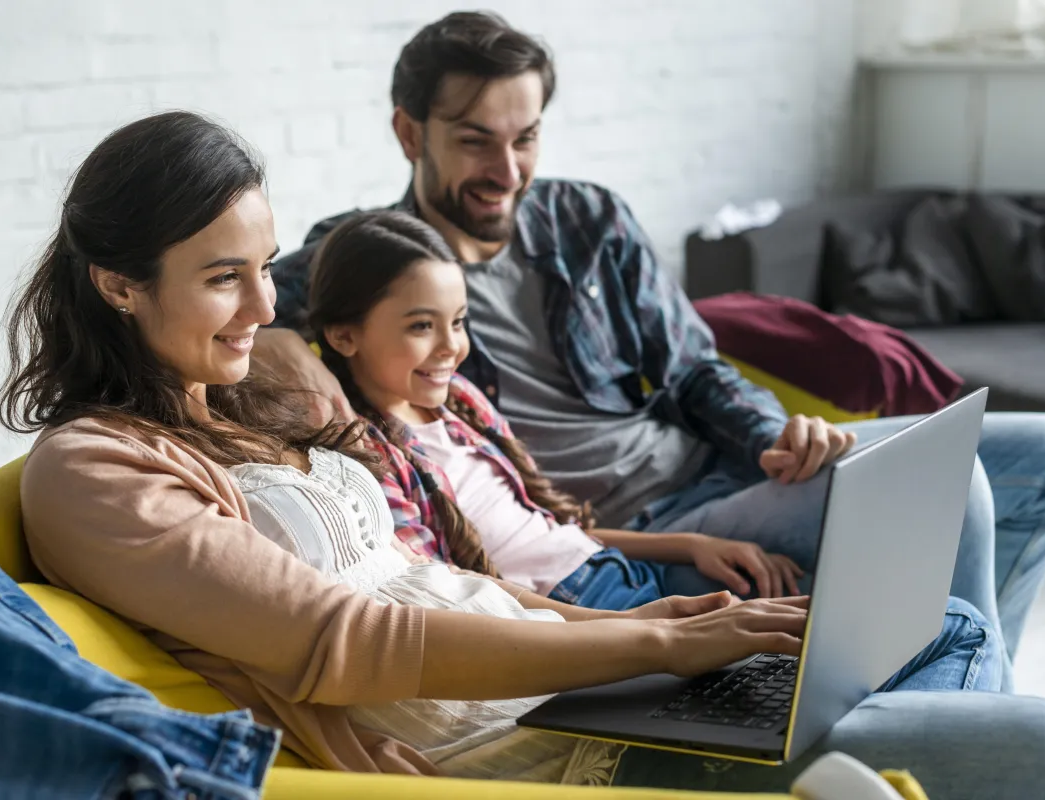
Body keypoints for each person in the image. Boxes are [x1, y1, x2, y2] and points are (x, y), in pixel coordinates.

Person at [0, 110, 1045, 800]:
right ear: (118, 282)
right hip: (516, 738)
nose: (264, 304)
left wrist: (637, 624)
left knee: (948, 623)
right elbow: (348, 638)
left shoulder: (243, 409)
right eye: (222, 276)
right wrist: (644, 654)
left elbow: (437, 568)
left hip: (574, 673)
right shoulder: (94, 470)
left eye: (265, 264)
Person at [258, 11, 1045, 687]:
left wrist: (772, 433)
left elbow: (693, 366)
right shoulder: (370, 261)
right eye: (476, 139)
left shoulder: (588, 218)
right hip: (628, 530)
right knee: (954, 490)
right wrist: (292, 347)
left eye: (526, 138)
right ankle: (972, 723)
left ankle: (977, 697)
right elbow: (248, 315)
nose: (507, 169)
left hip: (721, 467)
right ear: (409, 133)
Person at [308, 207, 803, 604]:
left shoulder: (460, 403)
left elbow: (554, 534)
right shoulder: (367, 458)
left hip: (615, 568)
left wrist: (694, 546)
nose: (451, 347)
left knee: (800, 609)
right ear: (344, 334)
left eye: (458, 322)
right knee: (773, 648)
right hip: (574, 610)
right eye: (421, 326)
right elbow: (446, 593)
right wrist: (649, 632)